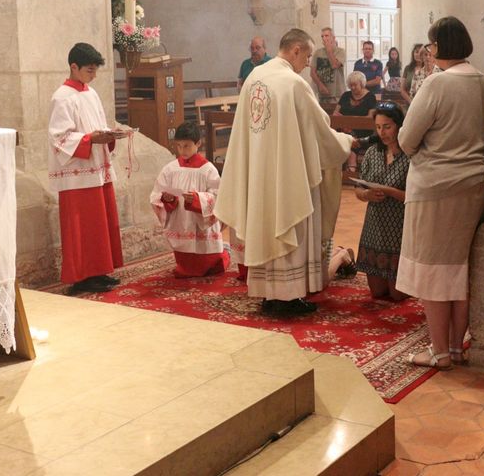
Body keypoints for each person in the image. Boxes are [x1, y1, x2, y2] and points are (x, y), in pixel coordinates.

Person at [216, 28, 355, 315]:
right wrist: (344, 142)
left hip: (259, 174)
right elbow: (319, 129)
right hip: (288, 176)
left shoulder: (254, 78)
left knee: (265, 223)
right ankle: (289, 297)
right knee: (290, 222)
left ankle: (268, 293)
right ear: (295, 50)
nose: (307, 64)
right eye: (306, 56)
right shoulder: (293, 83)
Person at [396, 17, 484, 369]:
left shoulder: (436, 84)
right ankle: (454, 346)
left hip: (436, 188)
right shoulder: (482, 82)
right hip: (474, 186)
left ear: (442, 46)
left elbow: (406, 140)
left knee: (434, 271)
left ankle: (438, 352)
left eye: (432, 44)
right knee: (458, 269)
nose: (429, 51)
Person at [48, 42, 128, 293]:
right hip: (77, 174)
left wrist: (109, 135)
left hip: (97, 167)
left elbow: (98, 125)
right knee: (83, 225)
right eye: (89, 71)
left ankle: (100, 271)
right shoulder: (61, 97)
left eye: (95, 71)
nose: (93, 76)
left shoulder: (90, 93)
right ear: (74, 67)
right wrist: (90, 139)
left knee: (101, 223)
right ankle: (83, 276)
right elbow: (58, 138)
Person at [150, 121, 228, 278]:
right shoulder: (170, 169)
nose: (182, 150)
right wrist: (167, 199)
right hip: (180, 219)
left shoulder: (208, 169)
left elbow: (218, 195)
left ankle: (223, 257)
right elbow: (156, 194)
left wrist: (197, 199)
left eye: (186, 146)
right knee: (185, 263)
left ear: (198, 143)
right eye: (178, 146)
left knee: (210, 265)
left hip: (199, 221)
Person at [354, 102, 410, 301]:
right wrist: (366, 195)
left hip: (399, 228)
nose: (382, 132)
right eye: (378, 127)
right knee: (377, 293)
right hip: (374, 228)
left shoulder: (410, 155)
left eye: (387, 127)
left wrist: (388, 191)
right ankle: (344, 257)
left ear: (399, 125)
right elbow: (358, 189)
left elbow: (414, 197)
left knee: (397, 295)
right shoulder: (372, 153)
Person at [310, 27, 346, 112]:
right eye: (322, 36)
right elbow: (312, 73)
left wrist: (329, 50)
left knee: (336, 119)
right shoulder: (318, 53)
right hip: (322, 94)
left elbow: (334, 65)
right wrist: (320, 85)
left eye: (326, 36)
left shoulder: (340, 51)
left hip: (337, 94)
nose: (324, 38)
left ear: (333, 38)